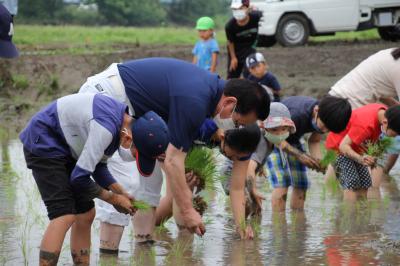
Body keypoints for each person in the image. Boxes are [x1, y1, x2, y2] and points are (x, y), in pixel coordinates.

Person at [78, 57, 270, 238]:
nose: (234, 128)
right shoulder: (196, 100)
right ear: (230, 103)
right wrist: (188, 210)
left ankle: (143, 247)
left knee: (150, 183)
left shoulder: (208, 94)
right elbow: (172, 160)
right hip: (110, 97)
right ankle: (109, 255)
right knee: (124, 180)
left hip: (138, 112)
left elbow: (170, 152)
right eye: (237, 123)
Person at [19, 93, 169, 265]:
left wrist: (120, 192)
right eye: (137, 154)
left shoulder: (120, 123)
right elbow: (79, 178)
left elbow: (98, 167)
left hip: (67, 147)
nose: (134, 157)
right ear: (128, 138)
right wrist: (113, 199)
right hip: (44, 143)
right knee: (64, 215)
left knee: (86, 213)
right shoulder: (105, 129)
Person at [155, 124, 261, 239]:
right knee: (183, 195)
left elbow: (237, 188)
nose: (235, 160)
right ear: (222, 137)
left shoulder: (244, 147)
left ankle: (149, 227)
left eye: (240, 157)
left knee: (173, 199)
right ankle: (184, 245)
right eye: (233, 156)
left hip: (188, 144)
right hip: (168, 139)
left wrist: (241, 227)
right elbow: (174, 154)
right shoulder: (202, 126)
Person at [248, 96, 352, 212]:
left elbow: (314, 140)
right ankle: (279, 224)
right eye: (324, 127)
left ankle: (298, 221)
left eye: (329, 130)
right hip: (271, 138)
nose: (325, 131)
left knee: (301, 184)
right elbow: (277, 138)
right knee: (283, 182)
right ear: (316, 111)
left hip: (293, 139)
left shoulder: (324, 117)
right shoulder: (298, 114)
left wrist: (319, 162)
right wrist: (300, 155)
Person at [327, 48, 400, 184]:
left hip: (352, 100)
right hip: (348, 104)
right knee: (344, 157)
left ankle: (377, 184)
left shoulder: (393, 56)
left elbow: (380, 90)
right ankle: (337, 196)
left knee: (357, 160)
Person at [325, 104, 400, 202]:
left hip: (355, 148)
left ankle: (361, 215)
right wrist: (360, 159)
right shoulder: (365, 124)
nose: (395, 137)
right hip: (338, 148)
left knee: (366, 183)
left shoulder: (386, 113)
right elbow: (343, 146)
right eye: (395, 134)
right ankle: (348, 216)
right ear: (385, 123)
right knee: (352, 184)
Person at [225, 0, 262, 78]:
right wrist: (233, 58)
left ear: (247, 8)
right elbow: (230, 42)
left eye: (240, 8)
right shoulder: (230, 26)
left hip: (250, 48)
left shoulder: (256, 17)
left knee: (249, 74)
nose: (237, 11)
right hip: (236, 51)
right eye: (234, 9)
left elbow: (259, 12)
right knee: (232, 76)